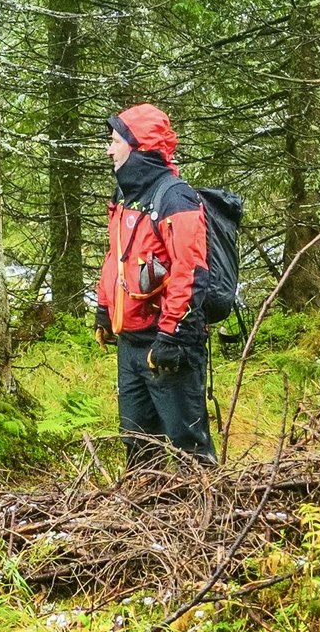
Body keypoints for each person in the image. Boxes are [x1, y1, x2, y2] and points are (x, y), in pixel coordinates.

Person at [93, 103, 217, 467]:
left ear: (139, 146)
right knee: (137, 445)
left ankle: (205, 517)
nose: (109, 149)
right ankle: (145, 521)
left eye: (115, 141)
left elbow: (190, 271)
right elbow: (116, 257)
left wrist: (173, 337)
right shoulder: (124, 196)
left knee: (188, 448)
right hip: (130, 343)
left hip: (168, 345)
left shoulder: (175, 197)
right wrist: (104, 309)